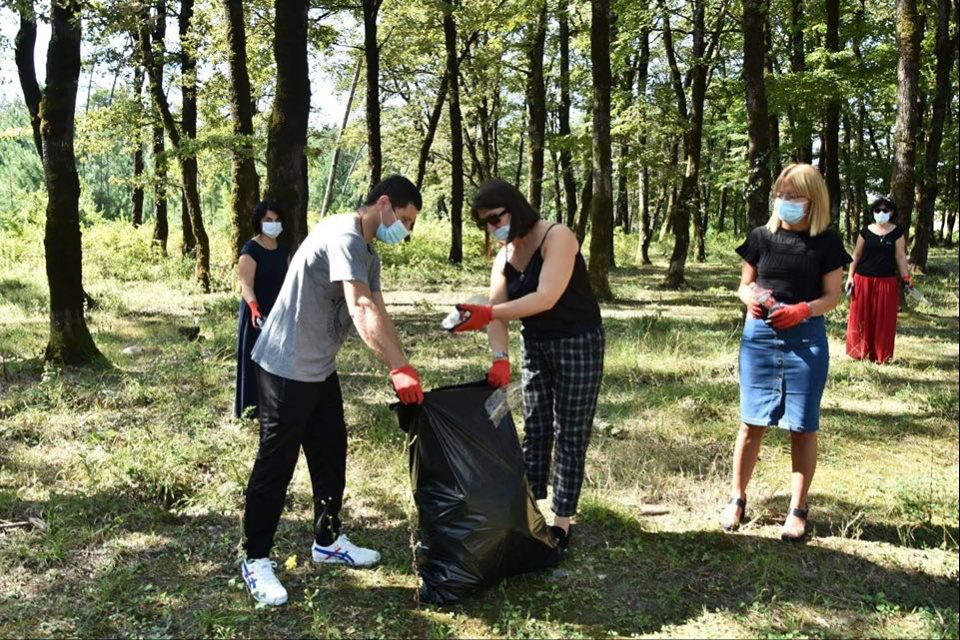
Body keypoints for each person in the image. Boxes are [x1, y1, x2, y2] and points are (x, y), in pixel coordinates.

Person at [239, 175, 425, 606]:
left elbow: (377, 308)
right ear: (384, 204)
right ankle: (255, 559)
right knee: (276, 462)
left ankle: (327, 542)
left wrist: (405, 365)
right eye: (406, 219)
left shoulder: (367, 252)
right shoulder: (342, 234)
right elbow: (358, 306)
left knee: (330, 453)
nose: (407, 230)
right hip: (285, 365)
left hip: (318, 369)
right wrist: (396, 368)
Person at [451, 179, 604, 553]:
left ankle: (562, 522)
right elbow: (498, 316)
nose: (492, 228)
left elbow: (546, 297)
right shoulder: (504, 256)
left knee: (570, 432)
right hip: (535, 345)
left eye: (495, 218)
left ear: (515, 208)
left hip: (578, 342)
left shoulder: (558, 236)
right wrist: (500, 359)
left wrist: (486, 312)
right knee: (535, 429)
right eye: (484, 223)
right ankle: (529, 512)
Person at [721, 163, 851, 542]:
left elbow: (832, 297)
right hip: (760, 337)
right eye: (781, 194)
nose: (785, 201)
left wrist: (802, 310)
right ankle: (737, 498)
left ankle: (798, 509)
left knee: (803, 426)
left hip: (806, 339)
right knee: (751, 422)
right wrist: (753, 297)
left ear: (814, 201)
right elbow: (743, 287)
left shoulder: (827, 243)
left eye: (794, 195)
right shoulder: (761, 237)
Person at [235, 200, 290, 418]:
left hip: (278, 312)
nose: (273, 224)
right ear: (259, 222)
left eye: (277, 220)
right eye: (268, 220)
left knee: (276, 359)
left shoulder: (284, 249)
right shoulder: (250, 249)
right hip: (256, 312)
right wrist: (255, 308)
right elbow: (245, 285)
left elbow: (288, 282)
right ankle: (250, 410)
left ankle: (273, 405)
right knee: (253, 359)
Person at [845, 196, 912, 363]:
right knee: (860, 317)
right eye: (877, 210)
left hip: (886, 281)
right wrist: (850, 277)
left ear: (892, 212)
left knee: (885, 319)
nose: (881, 213)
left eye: (885, 210)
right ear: (873, 212)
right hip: (862, 280)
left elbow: (901, 256)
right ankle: (858, 352)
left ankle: (882, 355)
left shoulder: (897, 232)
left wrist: (906, 277)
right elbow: (856, 255)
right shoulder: (865, 231)